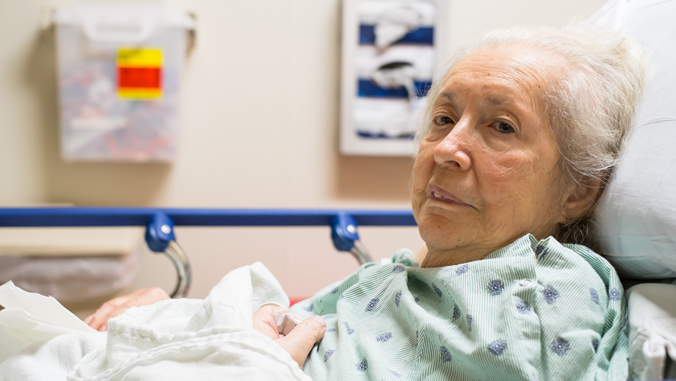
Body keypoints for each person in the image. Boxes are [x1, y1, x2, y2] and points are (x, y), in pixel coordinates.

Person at [84, 23, 645, 380]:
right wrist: (174, 321)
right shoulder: (408, 274)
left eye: (501, 126)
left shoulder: (544, 297)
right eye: (444, 118)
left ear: (577, 190)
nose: (447, 147)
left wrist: (243, 363)